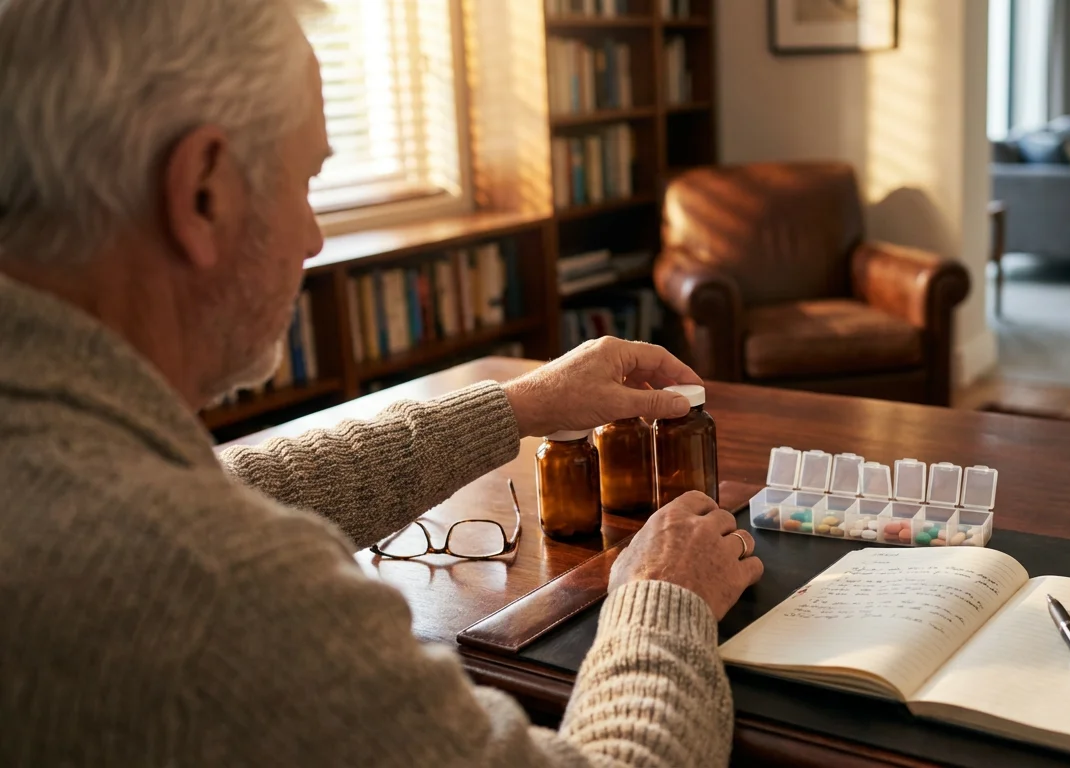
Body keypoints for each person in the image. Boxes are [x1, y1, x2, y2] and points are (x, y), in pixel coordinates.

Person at [0, 0, 764, 765]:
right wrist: (664, 598)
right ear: (203, 191)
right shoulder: (214, 587)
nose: (313, 235)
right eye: (303, 181)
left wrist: (521, 404)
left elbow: (238, 485)